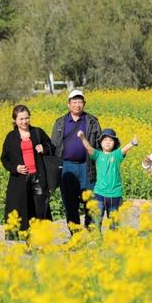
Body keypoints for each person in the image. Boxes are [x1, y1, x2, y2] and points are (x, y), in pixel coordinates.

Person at [51, 89, 102, 229]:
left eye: (80, 102)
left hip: (87, 166)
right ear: (68, 104)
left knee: (91, 201)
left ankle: (92, 232)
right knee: (70, 203)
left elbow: (100, 144)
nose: (77, 105)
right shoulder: (60, 122)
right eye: (74, 102)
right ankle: (75, 235)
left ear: (84, 103)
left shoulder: (92, 121)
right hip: (67, 167)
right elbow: (53, 146)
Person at [0, 105, 55, 232]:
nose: (24, 122)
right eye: (21, 119)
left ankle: (41, 240)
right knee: (25, 211)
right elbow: (4, 159)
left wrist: (44, 149)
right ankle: (29, 243)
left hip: (38, 178)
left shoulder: (37, 132)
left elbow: (52, 147)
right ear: (15, 120)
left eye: (27, 118)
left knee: (40, 211)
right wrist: (15, 168)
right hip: (20, 180)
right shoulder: (11, 137)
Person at [78, 128, 138, 231]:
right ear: (100, 142)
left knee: (114, 221)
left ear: (115, 143)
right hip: (99, 193)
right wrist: (82, 137)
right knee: (97, 218)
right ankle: (96, 238)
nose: (107, 142)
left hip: (115, 193)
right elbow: (88, 147)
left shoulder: (117, 155)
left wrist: (133, 143)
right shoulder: (97, 155)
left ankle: (113, 240)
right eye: (105, 140)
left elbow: (125, 149)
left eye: (111, 140)